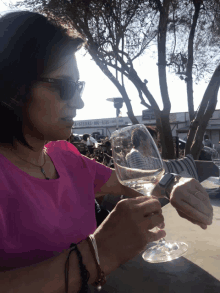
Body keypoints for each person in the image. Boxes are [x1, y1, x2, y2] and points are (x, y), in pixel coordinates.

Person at [0, 10, 213, 293]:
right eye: (64, 87)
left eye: (78, 86)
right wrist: (100, 252)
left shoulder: (67, 160)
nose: (79, 103)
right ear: (12, 88)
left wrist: (174, 183)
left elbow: (130, 181)